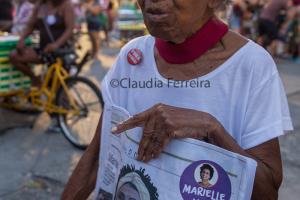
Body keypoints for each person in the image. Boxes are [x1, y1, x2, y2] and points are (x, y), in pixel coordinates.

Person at [62, 0, 293, 199]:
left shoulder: (251, 65)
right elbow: (97, 157)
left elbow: (267, 192)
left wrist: (210, 128)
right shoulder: (132, 57)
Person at [9, 0, 75, 87]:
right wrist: (22, 40)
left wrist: (56, 45)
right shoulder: (40, 5)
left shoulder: (66, 5)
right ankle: (35, 80)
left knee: (58, 90)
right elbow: (30, 26)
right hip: (44, 50)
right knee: (14, 56)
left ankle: (61, 95)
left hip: (61, 51)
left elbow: (69, 29)